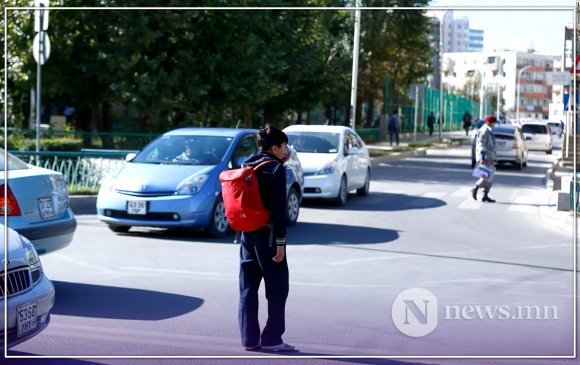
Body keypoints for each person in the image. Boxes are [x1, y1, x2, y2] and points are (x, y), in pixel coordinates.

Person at [238, 123, 295, 352]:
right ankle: (272, 338)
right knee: (278, 288)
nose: (285, 151)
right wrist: (280, 245)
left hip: (246, 234)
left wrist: (280, 162)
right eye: (283, 147)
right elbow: (279, 210)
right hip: (269, 237)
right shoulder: (276, 170)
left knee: (248, 289)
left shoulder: (248, 163)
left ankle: (249, 339)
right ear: (274, 148)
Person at [471, 115, 497, 203]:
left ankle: (485, 195)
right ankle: (475, 188)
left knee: (491, 177)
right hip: (485, 157)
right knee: (486, 176)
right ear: (490, 122)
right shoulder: (484, 131)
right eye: (494, 123)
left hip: (490, 157)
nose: (494, 124)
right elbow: (481, 145)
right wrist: (482, 158)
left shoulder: (488, 130)